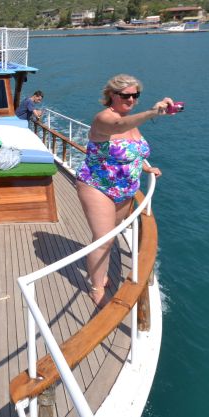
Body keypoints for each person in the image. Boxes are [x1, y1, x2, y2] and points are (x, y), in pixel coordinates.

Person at [75, 74, 172, 307]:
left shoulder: (131, 120)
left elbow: (134, 150)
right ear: (111, 95)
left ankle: (100, 273)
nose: (131, 100)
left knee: (112, 235)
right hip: (98, 185)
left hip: (125, 189)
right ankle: (97, 287)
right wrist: (152, 112)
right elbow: (119, 127)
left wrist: (147, 167)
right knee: (103, 240)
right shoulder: (104, 119)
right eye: (126, 95)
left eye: (135, 95)